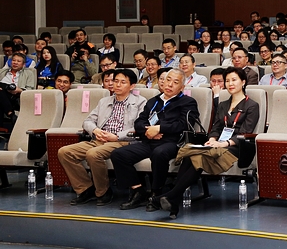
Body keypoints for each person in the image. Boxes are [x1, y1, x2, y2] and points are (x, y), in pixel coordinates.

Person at [154, 67, 258, 218]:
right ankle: (173, 201)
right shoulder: (223, 104)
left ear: (243, 82)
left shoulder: (252, 105)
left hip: (238, 148)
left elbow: (244, 132)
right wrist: (212, 139)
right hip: (217, 145)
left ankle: (172, 196)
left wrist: (224, 143)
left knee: (199, 157)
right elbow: (216, 127)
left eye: (234, 80)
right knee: (190, 155)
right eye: (227, 81)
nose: (230, 84)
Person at [111, 69, 199, 211]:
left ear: (182, 87)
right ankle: (137, 191)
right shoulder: (153, 101)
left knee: (159, 153)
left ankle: (156, 193)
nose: (169, 84)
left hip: (173, 142)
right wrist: (148, 130)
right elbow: (139, 122)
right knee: (118, 154)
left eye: (175, 82)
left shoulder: (188, 102)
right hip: (149, 141)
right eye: (168, 80)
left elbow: (184, 124)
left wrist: (159, 128)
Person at [57, 69, 147, 206]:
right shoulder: (104, 101)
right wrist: (95, 130)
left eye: (123, 82)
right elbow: (87, 121)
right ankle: (86, 189)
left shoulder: (141, 102)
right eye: (115, 81)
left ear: (132, 86)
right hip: (99, 139)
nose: (117, 85)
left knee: (93, 154)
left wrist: (116, 136)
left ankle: (103, 192)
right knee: (64, 152)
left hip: (122, 141)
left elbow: (139, 127)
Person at [0, 53, 36, 122]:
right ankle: (10, 114)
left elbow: (31, 90)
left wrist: (20, 90)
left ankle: (10, 114)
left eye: (18, 61)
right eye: (14, 60)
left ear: (23, 64)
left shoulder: (29, 73)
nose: (15, 62)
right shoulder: (2, 72)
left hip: (16, 96)